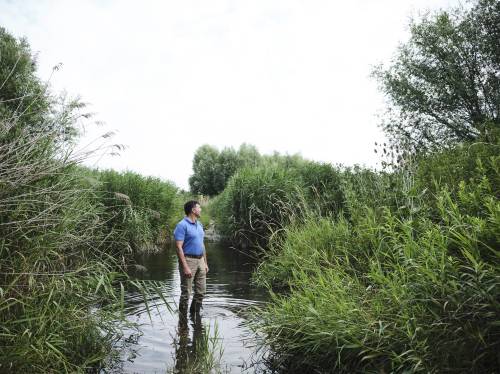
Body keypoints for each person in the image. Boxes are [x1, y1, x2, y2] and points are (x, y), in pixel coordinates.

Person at [173, 200, 209, 317]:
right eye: (199, 208)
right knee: (186, 294)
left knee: (201, 292)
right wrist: (185, 267)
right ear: (193, 210)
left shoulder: (199, 225)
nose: (200, 210)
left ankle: (195, 316)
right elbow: (178, 247)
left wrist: (205, 263)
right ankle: (182, 321)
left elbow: (202, 245)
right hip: (188, 260)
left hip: (200, 261)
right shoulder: (182, 225)